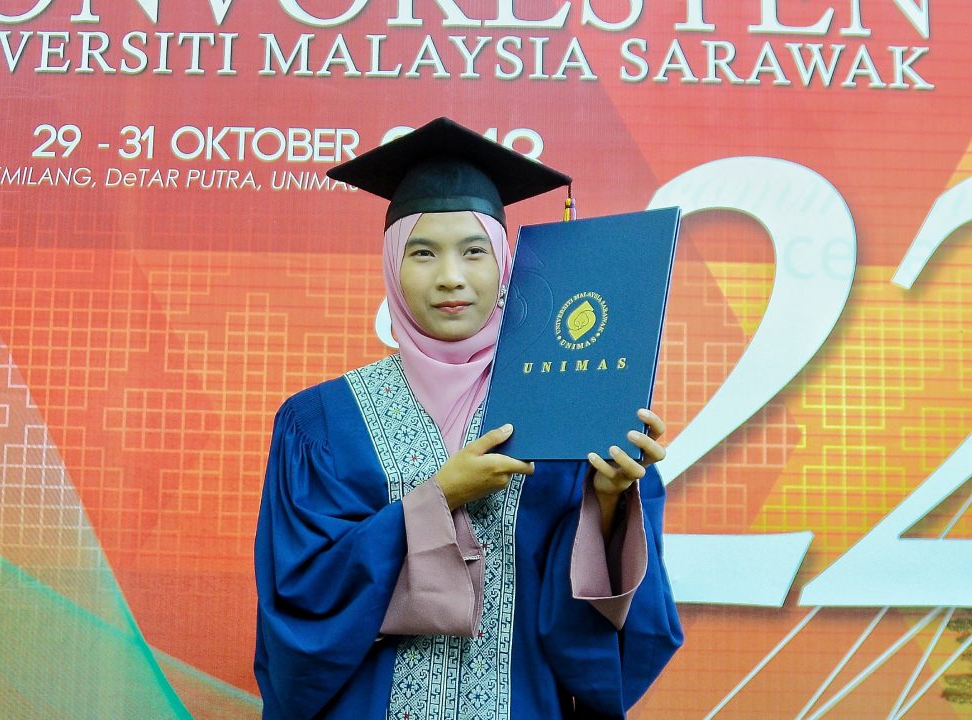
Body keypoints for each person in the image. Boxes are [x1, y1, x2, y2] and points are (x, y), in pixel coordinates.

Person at [254, 118, 682, 719]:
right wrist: (438, 497)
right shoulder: (322, 422)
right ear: (392, 266)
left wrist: (609, 503)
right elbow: (298, 602)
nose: (451, 276)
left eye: (474, 251)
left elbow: (600, 632)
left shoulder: (569, 406)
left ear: (506, 264)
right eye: (423, 252)